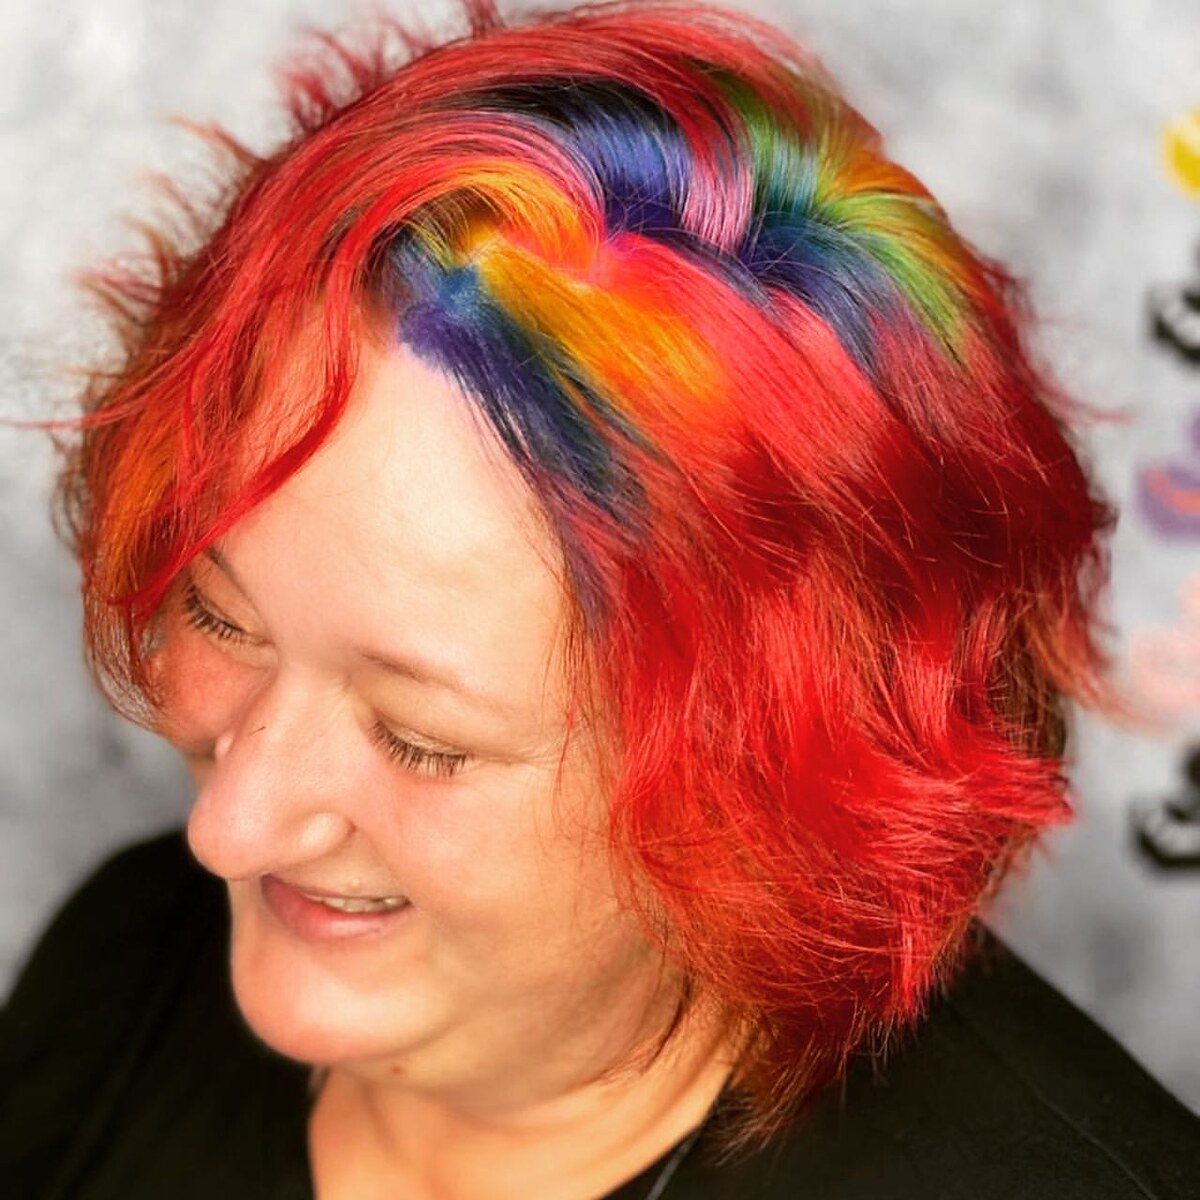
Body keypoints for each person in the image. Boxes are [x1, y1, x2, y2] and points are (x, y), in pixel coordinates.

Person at [2, 1, 1198, 1196]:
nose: (228, 829)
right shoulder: (128, 969)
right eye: (222, 619)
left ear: (760, 802)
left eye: (420, 737)